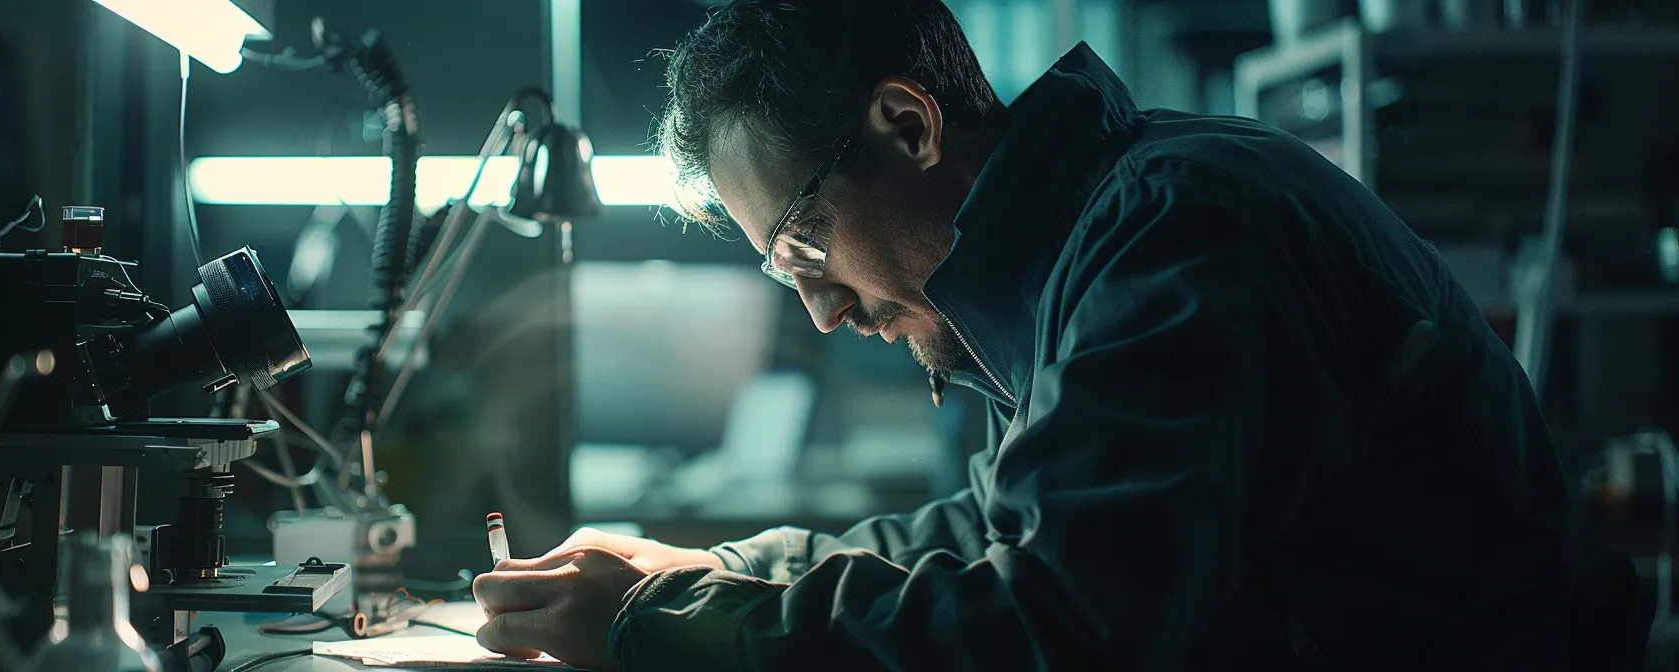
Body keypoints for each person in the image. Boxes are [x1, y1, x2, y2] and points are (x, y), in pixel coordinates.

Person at [472, 1, 1602, 670]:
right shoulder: (1084, 243)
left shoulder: (1176, 229)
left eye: (805, 238)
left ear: (908, 126)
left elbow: (1058, 620)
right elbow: (993, 528)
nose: (817, 306)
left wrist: (663, 628)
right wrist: (720, 568)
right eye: (783, 265)